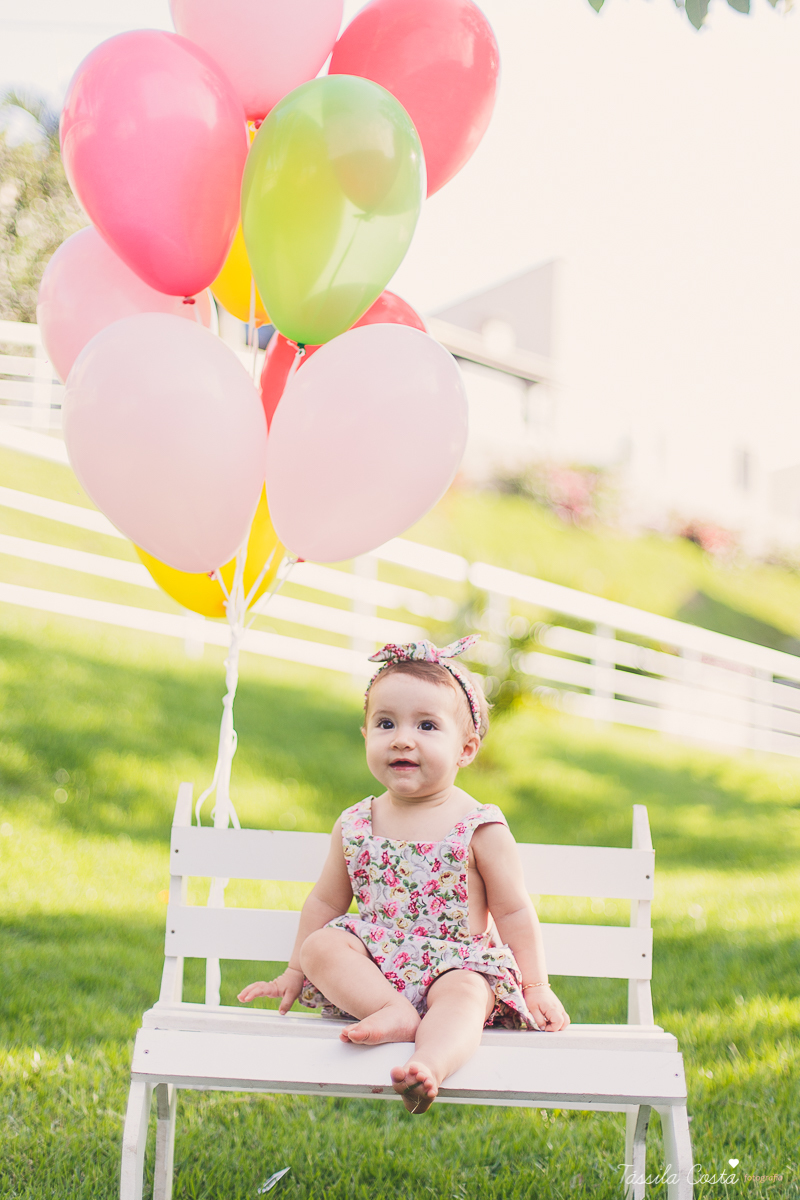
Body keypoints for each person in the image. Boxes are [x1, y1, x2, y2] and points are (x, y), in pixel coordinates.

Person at [238, 637, 570, 1114]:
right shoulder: (354, 823)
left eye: (427, 725)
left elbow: (515, 910)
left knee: (467, 995)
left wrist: (536, 987)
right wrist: (295, 970)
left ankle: (428, 1066)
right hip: (376, 967)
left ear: (466, 749)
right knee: (321, 945)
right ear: (365, 734)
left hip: (454, 962)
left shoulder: (479, 827)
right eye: (386, 723)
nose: (402, 738)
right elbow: (326, 904)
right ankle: (392, 1012)